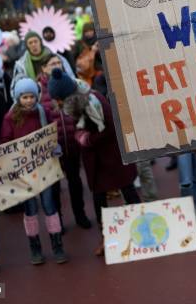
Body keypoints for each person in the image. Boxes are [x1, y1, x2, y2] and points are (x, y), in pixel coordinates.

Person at [48, 68, 140, 256]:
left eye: (59, 98)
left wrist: (88, 139)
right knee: (98, 198)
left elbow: (111, 127)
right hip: (95, 160)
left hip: (112, 155)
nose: (58, 102)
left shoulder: (94, 100)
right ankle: (107, 238)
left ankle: (141, 230)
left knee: (128, 190)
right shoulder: (73, 102)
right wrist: (79, 135)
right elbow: (78, 126)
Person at [0, 78, 67, 265]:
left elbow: (52, 134)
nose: (29, 100)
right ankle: (35, 248)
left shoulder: (43, 112)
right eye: (25, 97)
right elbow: (4, 142)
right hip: (23, 173)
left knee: (49, 206)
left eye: (31, 96)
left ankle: (57, 245)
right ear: (18, 97)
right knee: (29, 210)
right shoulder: (10, 117)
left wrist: (55, 147)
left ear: (36, 96)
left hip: (44, 169)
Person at [37, 54, 92, 229]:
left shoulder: (71, 84)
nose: (56, 65)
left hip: (72, 144)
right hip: (52, 148)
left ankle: (80, 215)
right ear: (44, 69)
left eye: (58, 62)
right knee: (54, 188)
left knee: (75, 182)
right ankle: (58, 220)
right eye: (52, 63)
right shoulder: (38, 90)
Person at [11, 31, 74, 97]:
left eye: (35, 41)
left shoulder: (56, 58)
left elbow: (70, 77)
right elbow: (16, 88)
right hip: (34, 99)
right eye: (30, 43)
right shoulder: (21, 65)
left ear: (40, 42)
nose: (33, 45)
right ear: (27, 46)